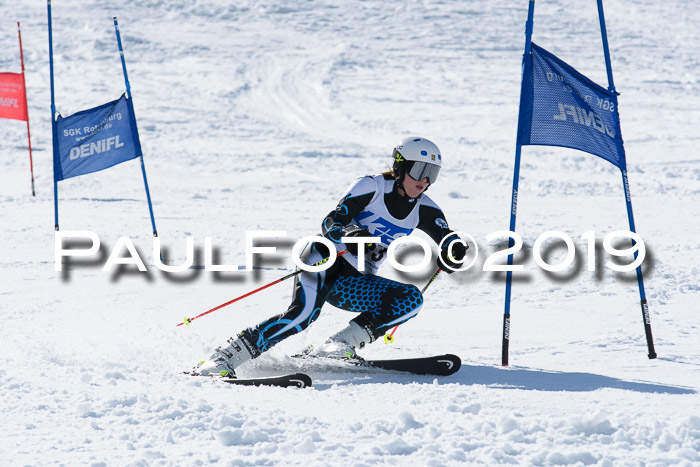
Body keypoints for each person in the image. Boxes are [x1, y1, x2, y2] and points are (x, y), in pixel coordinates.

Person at [192, 137, 467, 377]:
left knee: (410, 300)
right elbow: (332, 220)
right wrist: (350, 232)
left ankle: (337, 347)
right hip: (323, 260)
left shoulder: (426, 208)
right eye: (419, 170)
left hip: (353, 282)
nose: (424, 180)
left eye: (432, 173)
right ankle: (222, 359)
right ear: (400, 167)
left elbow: (447, 236)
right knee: (302, 316)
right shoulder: (370, 186)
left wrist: (453, 251)